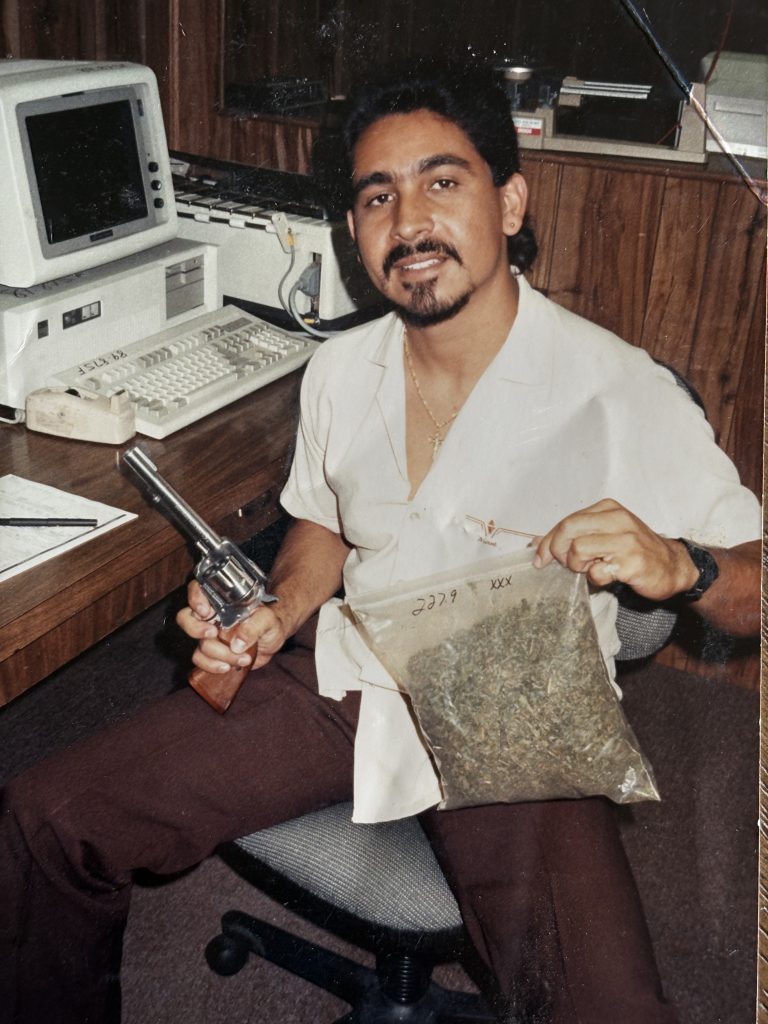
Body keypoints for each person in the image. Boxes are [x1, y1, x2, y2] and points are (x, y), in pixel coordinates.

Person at [0, 63, 760, 1024]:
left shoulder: (620, 390)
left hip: (513, 711)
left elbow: (755, 591)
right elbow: (322, 519)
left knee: (605, 1007)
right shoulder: (338, 370)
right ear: (355, 233)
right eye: (377, 196)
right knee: (47, 822)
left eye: (442, 182)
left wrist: (684, 566)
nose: (409, 222)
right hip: (348, 673)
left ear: (510, 202)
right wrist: (278, 607)